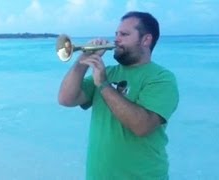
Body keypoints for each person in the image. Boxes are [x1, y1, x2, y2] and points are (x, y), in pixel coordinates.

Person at [58, 11, 179, 179]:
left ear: (146, 40)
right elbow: (66, 98)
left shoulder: (161, 79)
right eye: (116, 34)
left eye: (124, 34)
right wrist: (83, 61)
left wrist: (104, 85)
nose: (116, 39)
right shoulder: (108, 72)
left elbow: (142, 126)